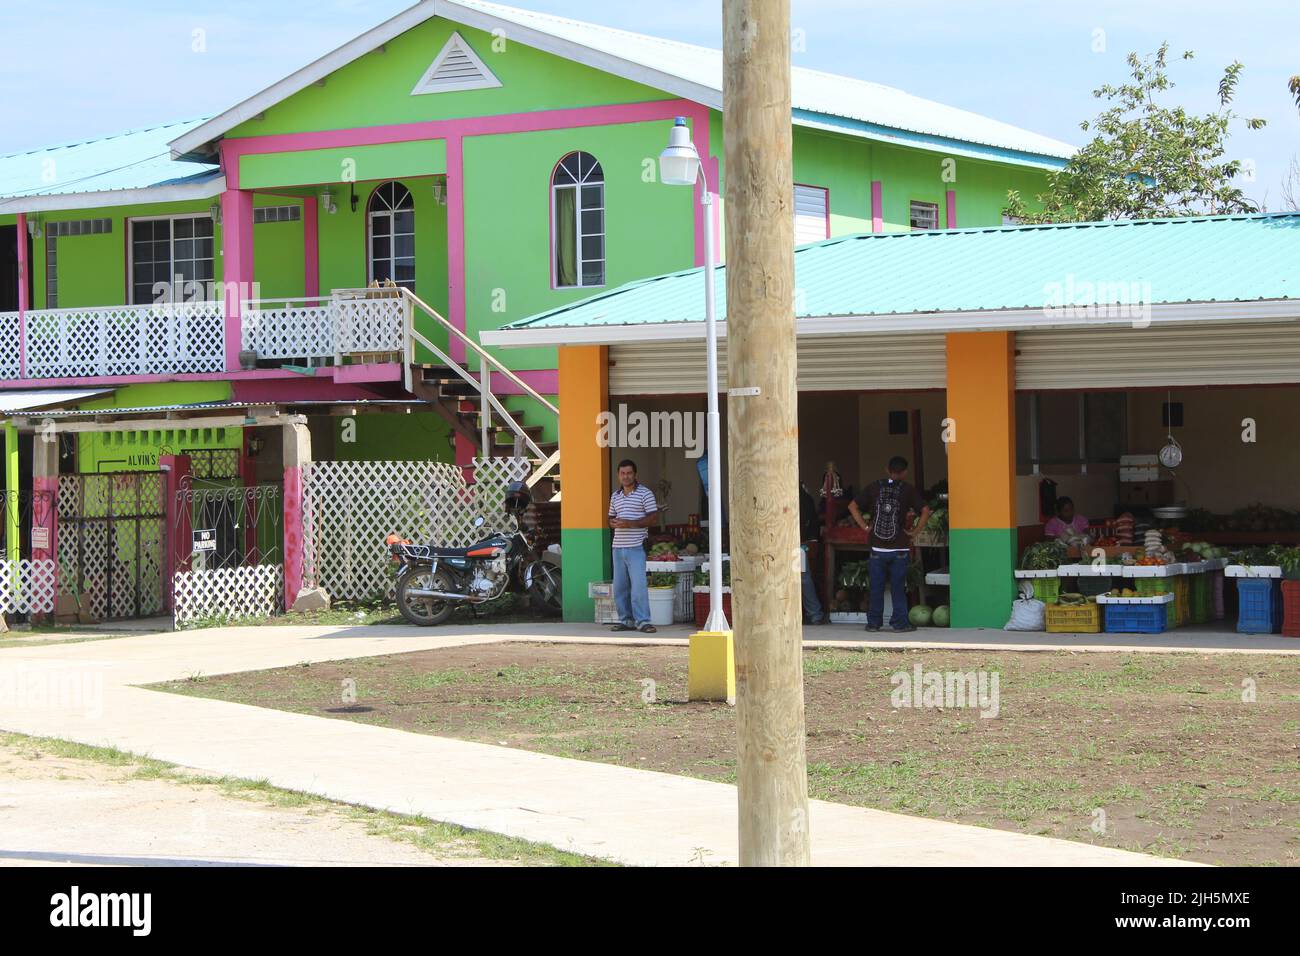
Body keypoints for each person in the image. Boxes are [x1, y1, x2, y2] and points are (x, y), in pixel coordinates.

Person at [847, 456, 930, 632]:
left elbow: (852, 506)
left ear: (887, 469)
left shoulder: (874, 486)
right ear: (905, 472)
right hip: (899, 547)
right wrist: (914, 532)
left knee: (876, 587)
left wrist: (865, 526)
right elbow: (925, 510)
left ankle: (874, 624)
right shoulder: (908, 490)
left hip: (877, 547)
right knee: (898, 587)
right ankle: (900, 624)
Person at [608, 459, 659, 633]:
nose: (626, 476)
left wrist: (630, 523)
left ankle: (643, 621)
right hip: (618, 547)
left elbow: (653, 518)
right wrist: (613, 523)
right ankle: (626, 620)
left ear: (635, 474)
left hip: (637, 546)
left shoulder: (645, 493)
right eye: (622, 473)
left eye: (629, 473)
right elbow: (610, 518)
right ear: (618, 475)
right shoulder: (615, 496)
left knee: (638, 587)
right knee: (620, 587)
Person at [799, 482, 827, 624]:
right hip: (800, 545)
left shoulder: (795, 497)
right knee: (804, 579)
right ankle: (815, 613)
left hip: (795, 546)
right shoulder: (805, 497)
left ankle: (815, 613)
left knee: (803, 578)